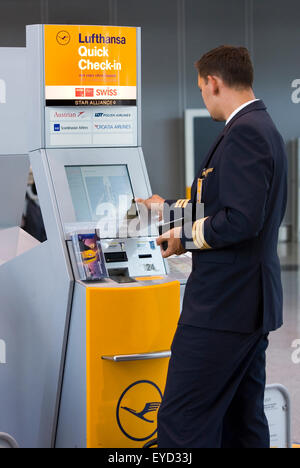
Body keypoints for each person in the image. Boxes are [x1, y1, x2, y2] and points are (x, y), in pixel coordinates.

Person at [137, 45, 288, 448]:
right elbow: (221, 207)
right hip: (246, 306)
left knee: (181, 420)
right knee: (241, 421)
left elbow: (240, 221)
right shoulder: (260, 127)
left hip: (223, 307)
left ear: (213, 82)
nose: (203, 98)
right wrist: (166, 210)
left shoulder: (246, 134)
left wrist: (183, 239)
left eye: (202, 89)